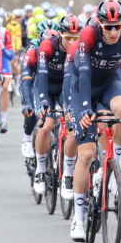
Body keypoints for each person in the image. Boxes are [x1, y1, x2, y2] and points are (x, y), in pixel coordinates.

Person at [69, 0, 121, 241]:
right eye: (108, 26)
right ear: (99, 23)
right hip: (82, 88)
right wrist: (84, 108)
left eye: (118, 25)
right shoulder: (88, 34)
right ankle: (79, 217)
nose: (114, 31)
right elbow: (83, 72)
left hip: (108, 84)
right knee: (85, 155)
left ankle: (114, 166)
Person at [33, 15, 82, 194]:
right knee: (46, 126)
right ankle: (39, 170)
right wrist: (44, 102)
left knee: (73, 129)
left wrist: (71, 106)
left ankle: (68, 173)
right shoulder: (48, 46)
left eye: (76, 38)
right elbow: (42, 76)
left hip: (64, 88)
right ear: (60, 35)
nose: (72, 42)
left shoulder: (80, 49)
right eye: (68, 37)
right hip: (45, 86)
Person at [20, 29, 59, 159]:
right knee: (32, 109)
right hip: (35, 86)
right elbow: (26, 83)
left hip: (56, 87)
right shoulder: (31, 54)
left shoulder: (62, 54)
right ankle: (26, 138)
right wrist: (28, 103)